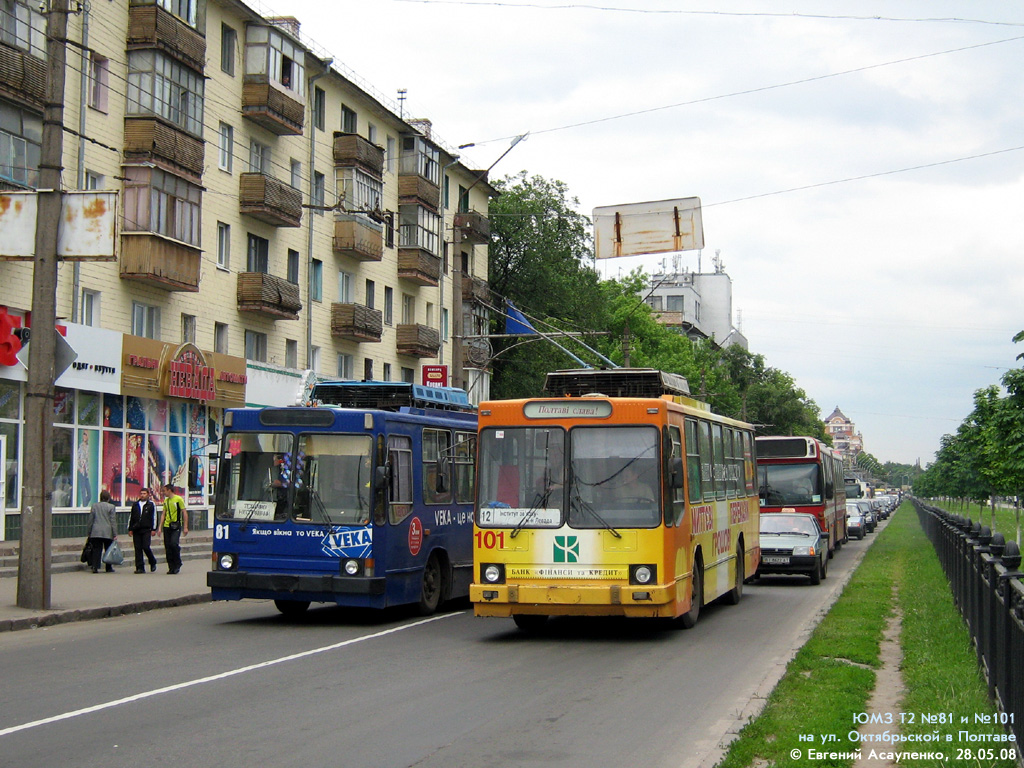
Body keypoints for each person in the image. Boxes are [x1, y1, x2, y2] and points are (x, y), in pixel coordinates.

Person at [156, 483, 189, 574]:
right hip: (167, 526)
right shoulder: (166, 501)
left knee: (174, 544)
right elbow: (163, 514)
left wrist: (185, 527)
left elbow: (184, 513)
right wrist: (160, 527)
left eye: (164, 491)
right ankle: (171, 567)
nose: (163, 493)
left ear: (169, 490)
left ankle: (177, 563)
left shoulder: (178, 499)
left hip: (176, 525)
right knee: (168, 547)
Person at [127, 487, 158, 574]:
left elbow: (154, 517)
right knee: (137, 548)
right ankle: (140, 567)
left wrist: (153, 529)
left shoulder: (151, 504)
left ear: (148, 495)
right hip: (136, 529)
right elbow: (131, 516)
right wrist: (130, 528)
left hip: (146, 529)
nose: (142, 495)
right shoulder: (135, 504)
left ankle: (152, 561)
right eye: (141, 493)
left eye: (144, 494)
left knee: (145, 546)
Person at [86, 490, 118, 574]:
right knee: (108, 549)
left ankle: (95, 567)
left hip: (96, 531)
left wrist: (89, 531)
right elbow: (113, 521)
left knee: (97, 549)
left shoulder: (94, 506)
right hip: (108, 531)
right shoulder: (111, 507)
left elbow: (91, 520)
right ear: (108, 498)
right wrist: (115, 533)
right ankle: (108, 567)